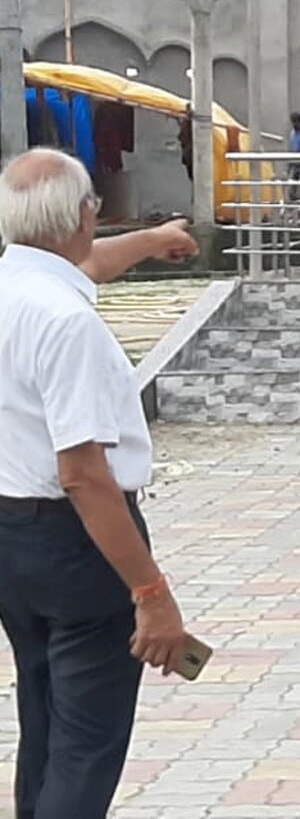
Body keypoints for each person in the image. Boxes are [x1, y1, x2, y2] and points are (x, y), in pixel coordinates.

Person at [0, 148, 199, 819]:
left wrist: (152, 241)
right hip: (77, 544)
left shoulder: (14, 287)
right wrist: (151, 592)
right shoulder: (67, 323)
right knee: (86, 745)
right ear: (83, 215)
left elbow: (85, 266)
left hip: (12, 539)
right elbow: (83, 475)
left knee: (47, 723)